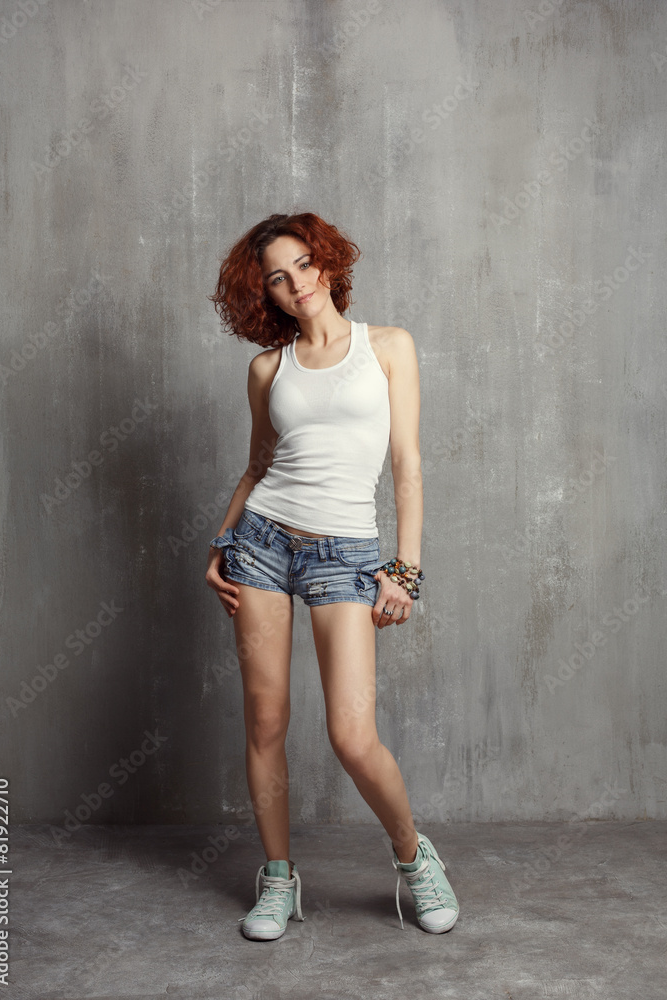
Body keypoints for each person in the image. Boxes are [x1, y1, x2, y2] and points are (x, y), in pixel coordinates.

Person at [205, 212, 459, 940]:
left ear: (328, 263)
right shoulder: (266, 370)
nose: (296, 284)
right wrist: (221, 542)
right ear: (265, 294)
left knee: (352, 735)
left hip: (345, 555)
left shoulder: (388, 347)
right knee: (266, 722)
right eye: (277, 278)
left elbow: (407, 466)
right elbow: (258, 468)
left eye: (304, 265)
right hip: (259, 546)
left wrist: (404, 572)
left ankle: (414, 857)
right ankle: (278, 879)